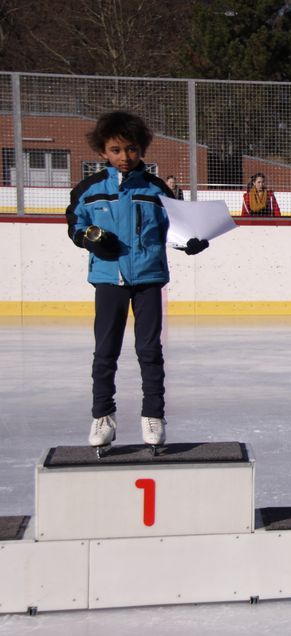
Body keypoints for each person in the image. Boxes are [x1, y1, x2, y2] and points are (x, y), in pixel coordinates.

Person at [65, 111, 209, 451]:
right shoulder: (90, 189)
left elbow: (175, 228)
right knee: (105, 351)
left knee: (149, 349)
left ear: (141, 148)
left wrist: (190, 242)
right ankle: (103, 416)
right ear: (102, 151)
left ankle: (153, 416)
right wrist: (89, 239)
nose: (124, 157)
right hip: (108, 279)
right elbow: (75, 224)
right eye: (116, 150)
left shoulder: (156, 188)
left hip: (149, 277)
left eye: (131, 149)